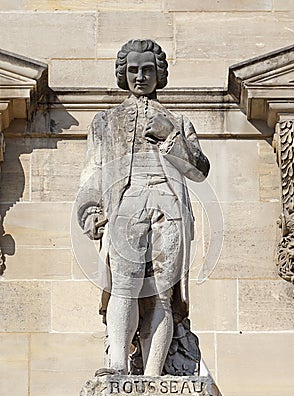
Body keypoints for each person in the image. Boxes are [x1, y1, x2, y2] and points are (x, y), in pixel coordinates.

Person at [76, 39, 210, 377]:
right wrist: (90, 209)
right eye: (133, 70)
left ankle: (153, 375)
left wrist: (170, 138)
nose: (140, 76)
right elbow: (94, 170)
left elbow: (198, 170)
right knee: (125, 284)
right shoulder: (106, 121)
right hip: (126, 202)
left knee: (163, 293)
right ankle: (117, 365)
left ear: (158, 74)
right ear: (124, 73)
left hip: (169, 205)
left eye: (147, 70)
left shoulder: (177, 120)